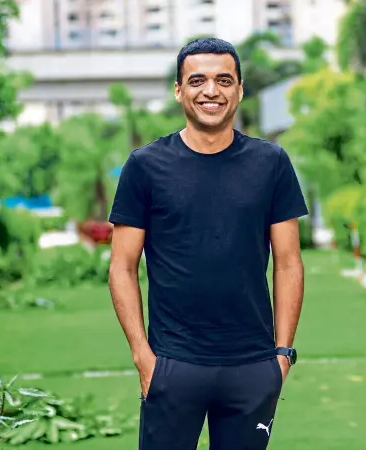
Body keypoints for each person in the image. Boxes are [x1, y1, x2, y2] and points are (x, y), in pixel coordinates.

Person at [107, 37, 308, 450]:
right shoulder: (145, 166)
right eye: (197, 80)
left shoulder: (271, 163)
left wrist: (282, 355)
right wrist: (143, 356)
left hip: (253, 366)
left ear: (240, 89)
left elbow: (289, 262)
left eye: (224, 80)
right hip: (171, 365)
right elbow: (122, 267)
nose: (211, 91)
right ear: (179, 90)